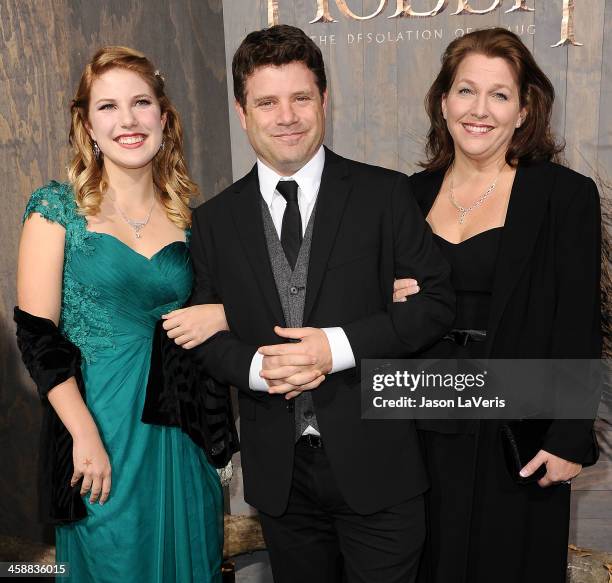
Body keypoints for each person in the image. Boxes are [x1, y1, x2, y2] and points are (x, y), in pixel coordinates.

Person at [162, 24, 454, 583]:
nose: (287, 116)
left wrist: (335, 347)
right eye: (267, 102)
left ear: (324, 100)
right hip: (281, 482)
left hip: (380, 469)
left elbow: (435, 304)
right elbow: (206, 337)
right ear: (243, 113)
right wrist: (258, 368)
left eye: (300, 97)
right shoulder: (214, 221)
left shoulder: (384, 194)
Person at [393, 28, 601, 583]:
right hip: (418, 420)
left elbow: (579, 324)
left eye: (499, 94)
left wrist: (568, 438)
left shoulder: (565, 196)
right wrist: (384, 295)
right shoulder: (407, 196)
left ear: (524, 108)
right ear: (443, 102)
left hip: (518, 429)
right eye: (465, 91)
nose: (479, 110)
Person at [16, 46, 227, 582]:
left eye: (140, 103)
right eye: (108, 107)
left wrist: (223, 314)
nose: (127, 120)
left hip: (181, 437)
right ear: (87, 124)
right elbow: (38, 337)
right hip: (99, 432)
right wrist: (84, 435)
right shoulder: (55, 210)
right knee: (112, 559)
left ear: (163, 116)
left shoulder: (191, 220)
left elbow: (243, 304)